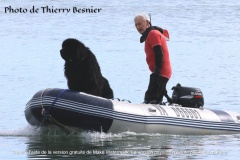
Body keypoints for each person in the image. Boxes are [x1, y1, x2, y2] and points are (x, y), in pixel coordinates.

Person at [134, 13, 172, 104]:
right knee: (155, 98)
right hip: (160, 72)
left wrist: (157, 72)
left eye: (140, 23)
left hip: (160, 72)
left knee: (150, 98)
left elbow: (159, 53)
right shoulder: (151, 34)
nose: (138, 27)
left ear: (147, 23)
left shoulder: (153, 33)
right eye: (136, 25)